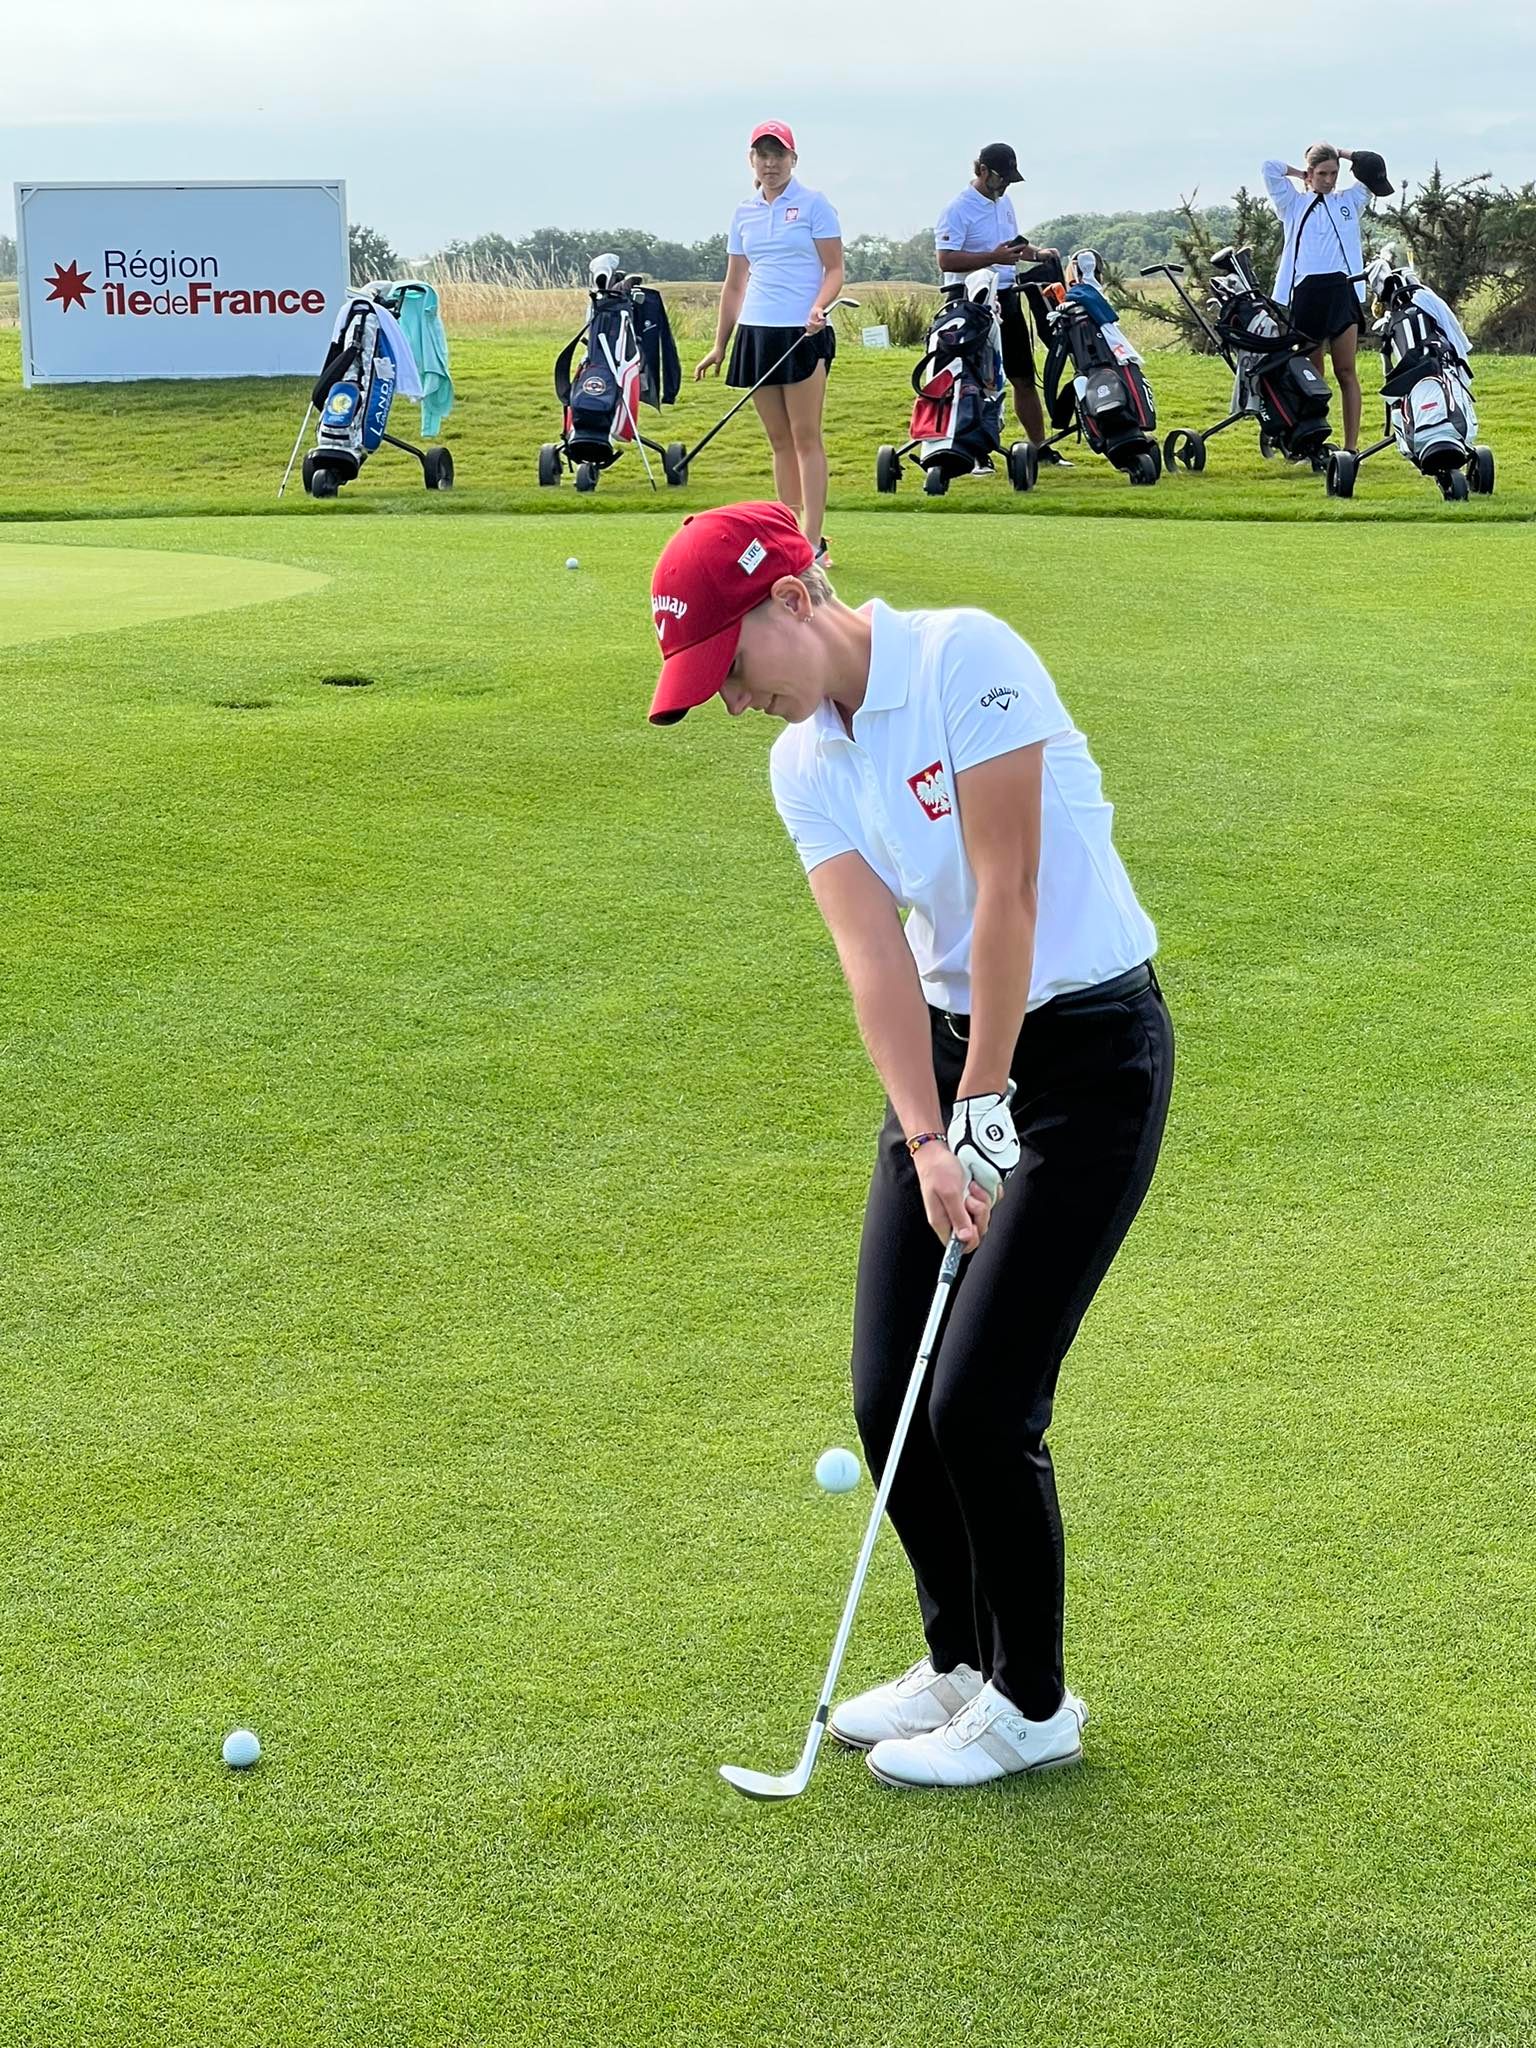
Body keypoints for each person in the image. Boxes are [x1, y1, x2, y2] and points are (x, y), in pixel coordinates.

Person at [646, 502, 1175, 1790]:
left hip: (1087, 1055)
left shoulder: (965, 658)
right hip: (948, 1064)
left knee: (980, 1400)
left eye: (732, 666)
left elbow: (1009, 890)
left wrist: (991, 1096)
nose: (732, 702)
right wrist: (935, 1134)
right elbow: (872, 955)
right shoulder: (802, 764)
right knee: (891, 1394)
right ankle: (963, 1660)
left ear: (791, 599)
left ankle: (1034, 1704)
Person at [696, 122, 844, 562]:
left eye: (778, 154)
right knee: (779, 440)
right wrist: (720, 345)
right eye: (762, 155)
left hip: (802, 331)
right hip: (756, 331)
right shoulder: (744, 212)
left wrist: (818, 306)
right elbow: (734, 284)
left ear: (792, 159)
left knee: (805, 437)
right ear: (752, 160)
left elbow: (834, 269)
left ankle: (812, 542)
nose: (770, 163)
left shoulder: (815, 204)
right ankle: (790, 538)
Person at [935, 143, 1069, 469]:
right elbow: (946, 260)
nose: (1006, 184)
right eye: (1001, 177)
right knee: (974, 379)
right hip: (969, 300)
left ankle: (1039, 447)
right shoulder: (957, 209)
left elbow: (1012, 246)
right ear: (982, 170)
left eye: (1010, 178)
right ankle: (976, 453)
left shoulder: (1004, 202)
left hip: (1007, 297)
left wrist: (1036, 253)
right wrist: (992, 258)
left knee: (1022, 375)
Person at [1263, 144, 1387, 453]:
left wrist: (1341, 153)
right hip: (1306, 294)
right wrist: (1300, 175)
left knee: (1345, 370)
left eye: (1333, 173)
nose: (1329, 180)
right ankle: (1312, 441)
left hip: (1342, 292)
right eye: (1322, 174)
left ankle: (1351, 448)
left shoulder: (1349, 200)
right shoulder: (1292, 203)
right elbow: (1269, 167)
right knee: (1312, 374)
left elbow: (1372, 164)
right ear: (1311, 173)